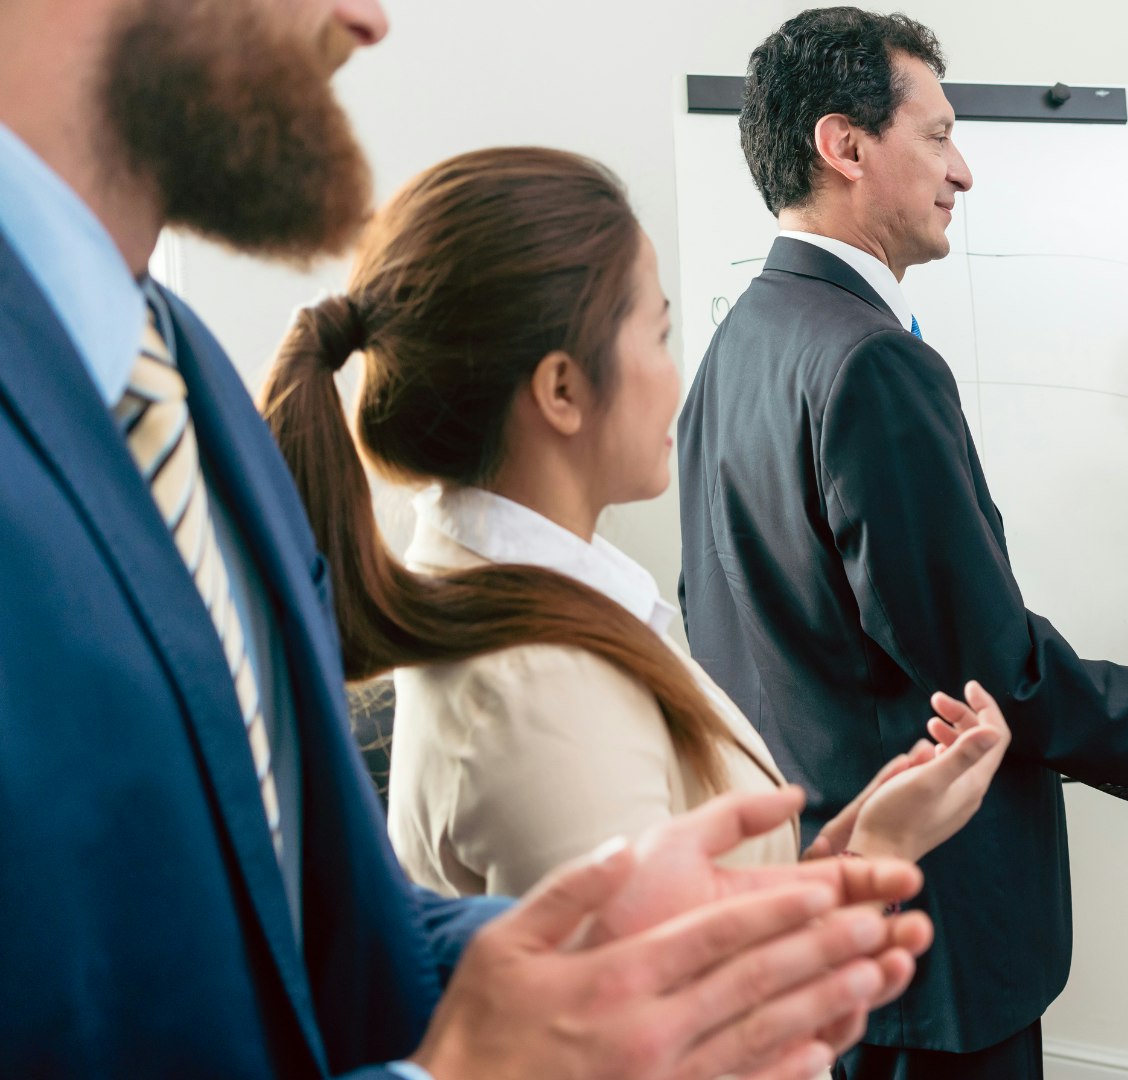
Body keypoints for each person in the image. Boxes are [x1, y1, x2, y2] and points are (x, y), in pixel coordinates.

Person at [0, 1, 933, 1076]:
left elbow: (291, 938)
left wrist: (619, 956)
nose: (369, 20)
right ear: (561, 389)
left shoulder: (188, 382)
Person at [677, 8, 1128, 1077]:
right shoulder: (870, 363)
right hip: (931, 927)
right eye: (939, 135)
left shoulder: (740, 339)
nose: (963, 171)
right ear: (846, 145)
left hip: (816, 893)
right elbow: (982, 665)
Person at [260, 145, 1011, 908]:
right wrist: (874, 859)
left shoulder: (540, 600)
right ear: (561, 389)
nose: (675, 374)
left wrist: (838, 855)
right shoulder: (536, 700)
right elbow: (666, 1017)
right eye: (656, 335)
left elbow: (676, 924)